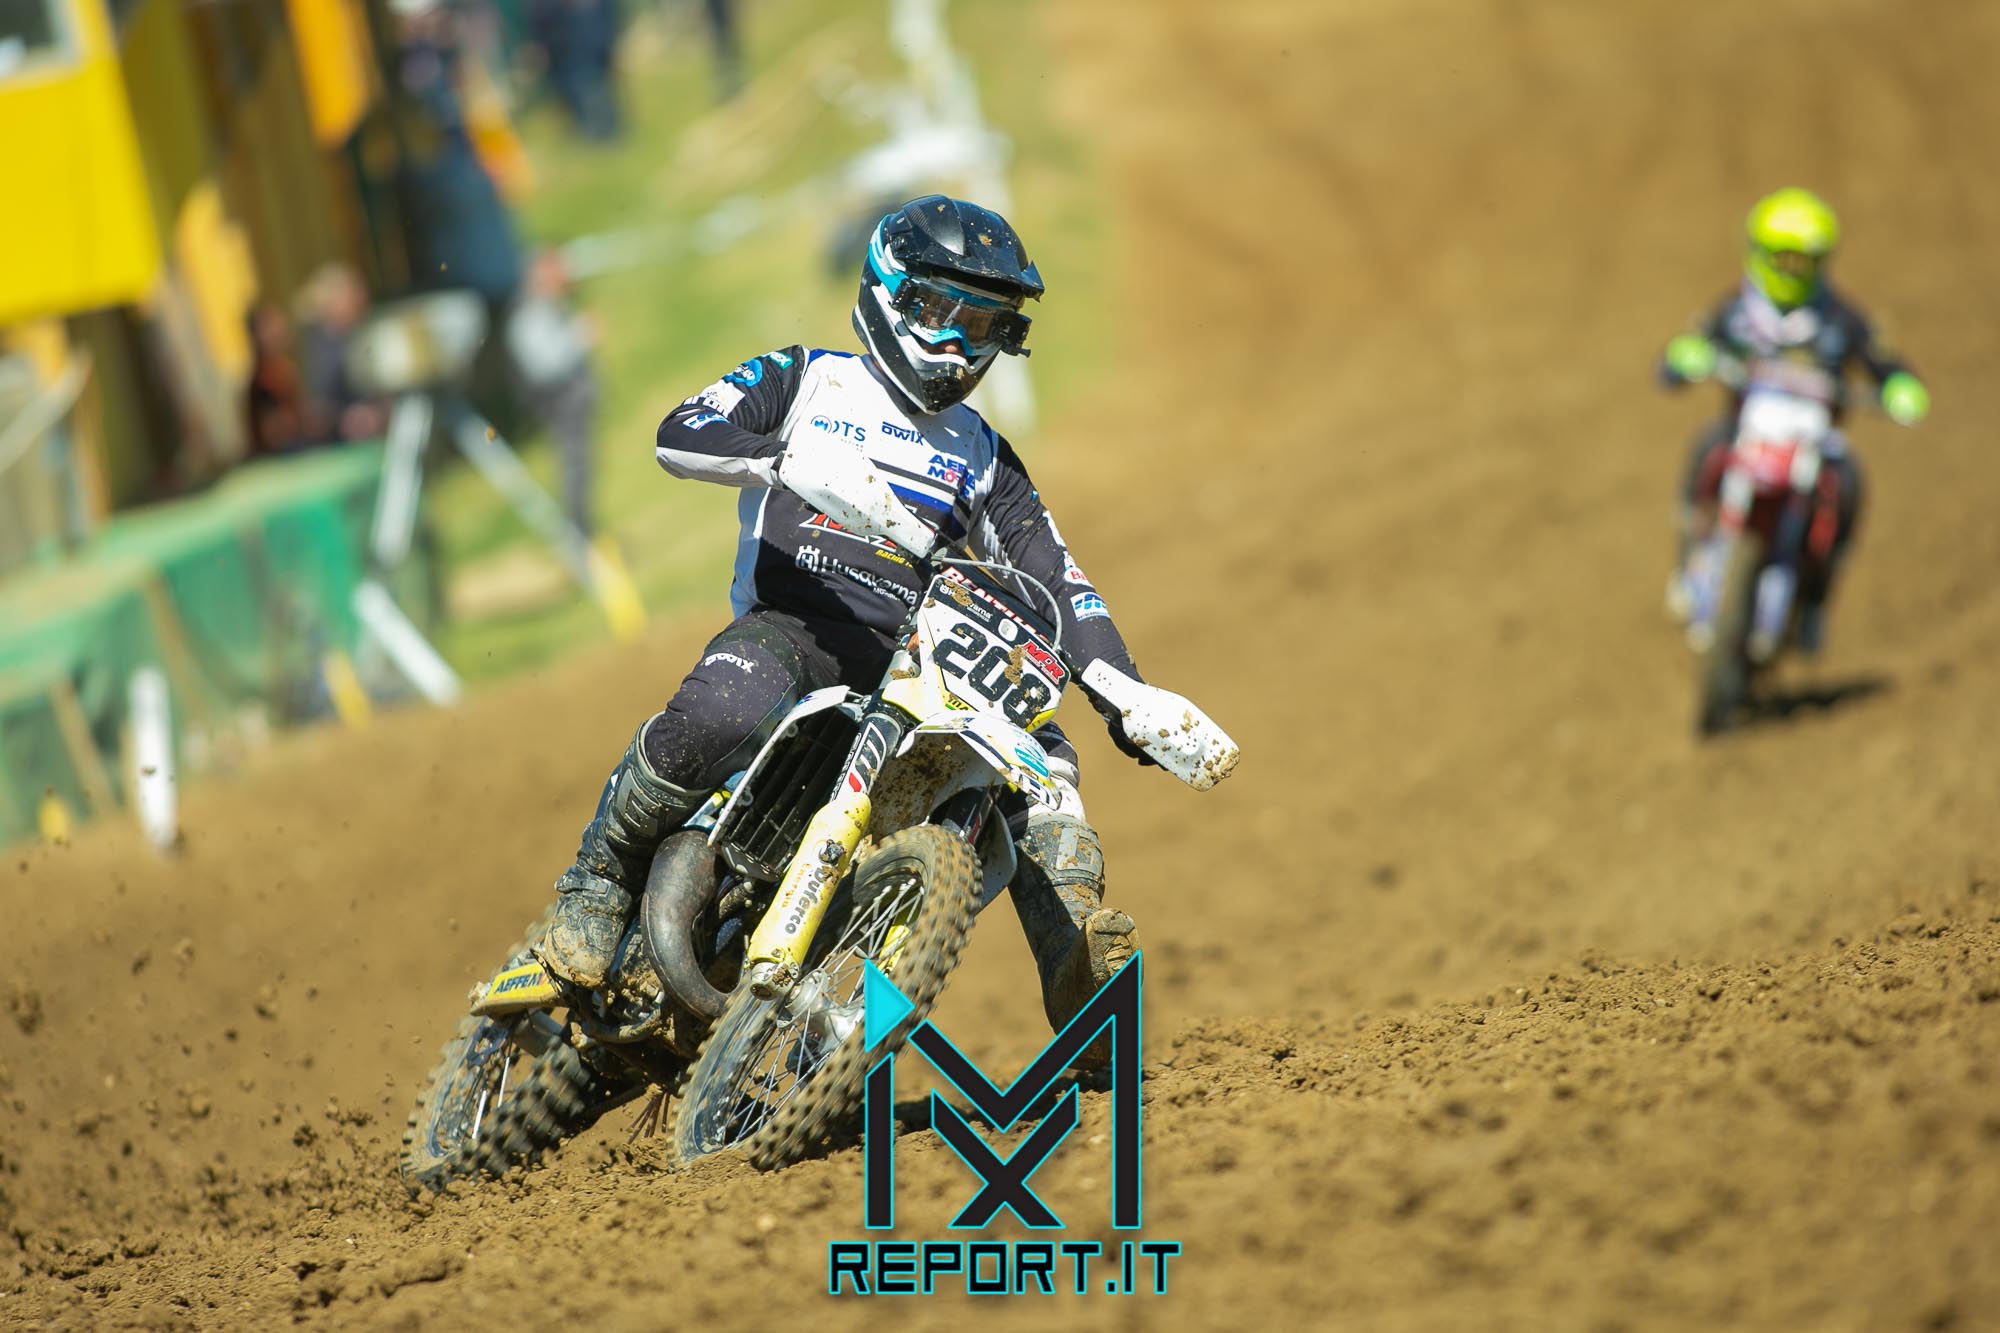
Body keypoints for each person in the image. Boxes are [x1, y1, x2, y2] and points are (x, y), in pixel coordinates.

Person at [532, 196, 1233, 1045]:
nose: (957, 344)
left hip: (915, 665)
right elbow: (680, 433)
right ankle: (599, 881)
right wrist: (785, 459)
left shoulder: (985, 456)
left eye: (982, 324)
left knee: (1041, 756)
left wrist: (1128, 693)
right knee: (721, 711)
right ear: (888, 290)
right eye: (939, 312)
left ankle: (1074, 960)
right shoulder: (806, 378)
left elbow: (1060, 580)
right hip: (799, 625)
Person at [1658, 187, 1929, 651]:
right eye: (1781, 258)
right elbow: (1692, 345)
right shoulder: (1739, 311)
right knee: (1706, 447)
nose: (1790, 270)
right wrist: (1683, 359)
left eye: (1802, 261)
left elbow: (1883, 360)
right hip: (1746, 432)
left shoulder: (1839, 319)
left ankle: (1814, 604)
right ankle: (1689, 561)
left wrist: (1900, 386)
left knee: (1848, 483)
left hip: (1813, 442)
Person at [506, 248, 600, 538]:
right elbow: (544, 367)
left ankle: (587, 532)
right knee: (574, 470)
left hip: (571, 403)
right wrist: (578, 338)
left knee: (583, 469)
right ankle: (578, 536)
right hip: (559, 404)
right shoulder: (529, 316)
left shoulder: (548, 307)